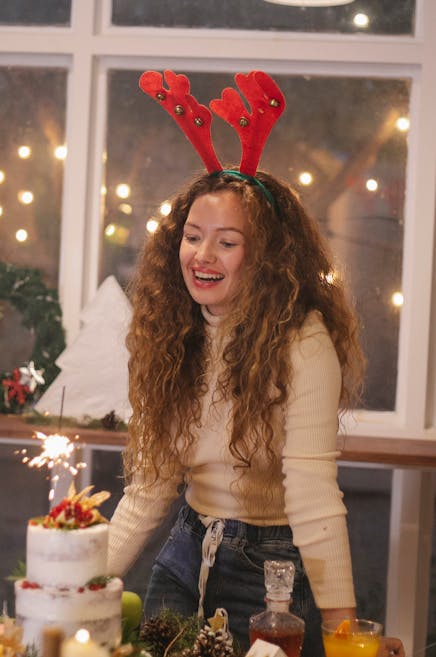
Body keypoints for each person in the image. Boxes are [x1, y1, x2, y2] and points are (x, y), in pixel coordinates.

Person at [108, 71, 405, 657]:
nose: (203, 255)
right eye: (193, 237)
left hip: (274, 576)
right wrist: (74, 582)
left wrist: (344, 631)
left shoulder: (304, 340)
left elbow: (314, 493)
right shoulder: (170, 333)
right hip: (183, 555)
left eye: (227, 241)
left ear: (266, 253)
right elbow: (149, 488)